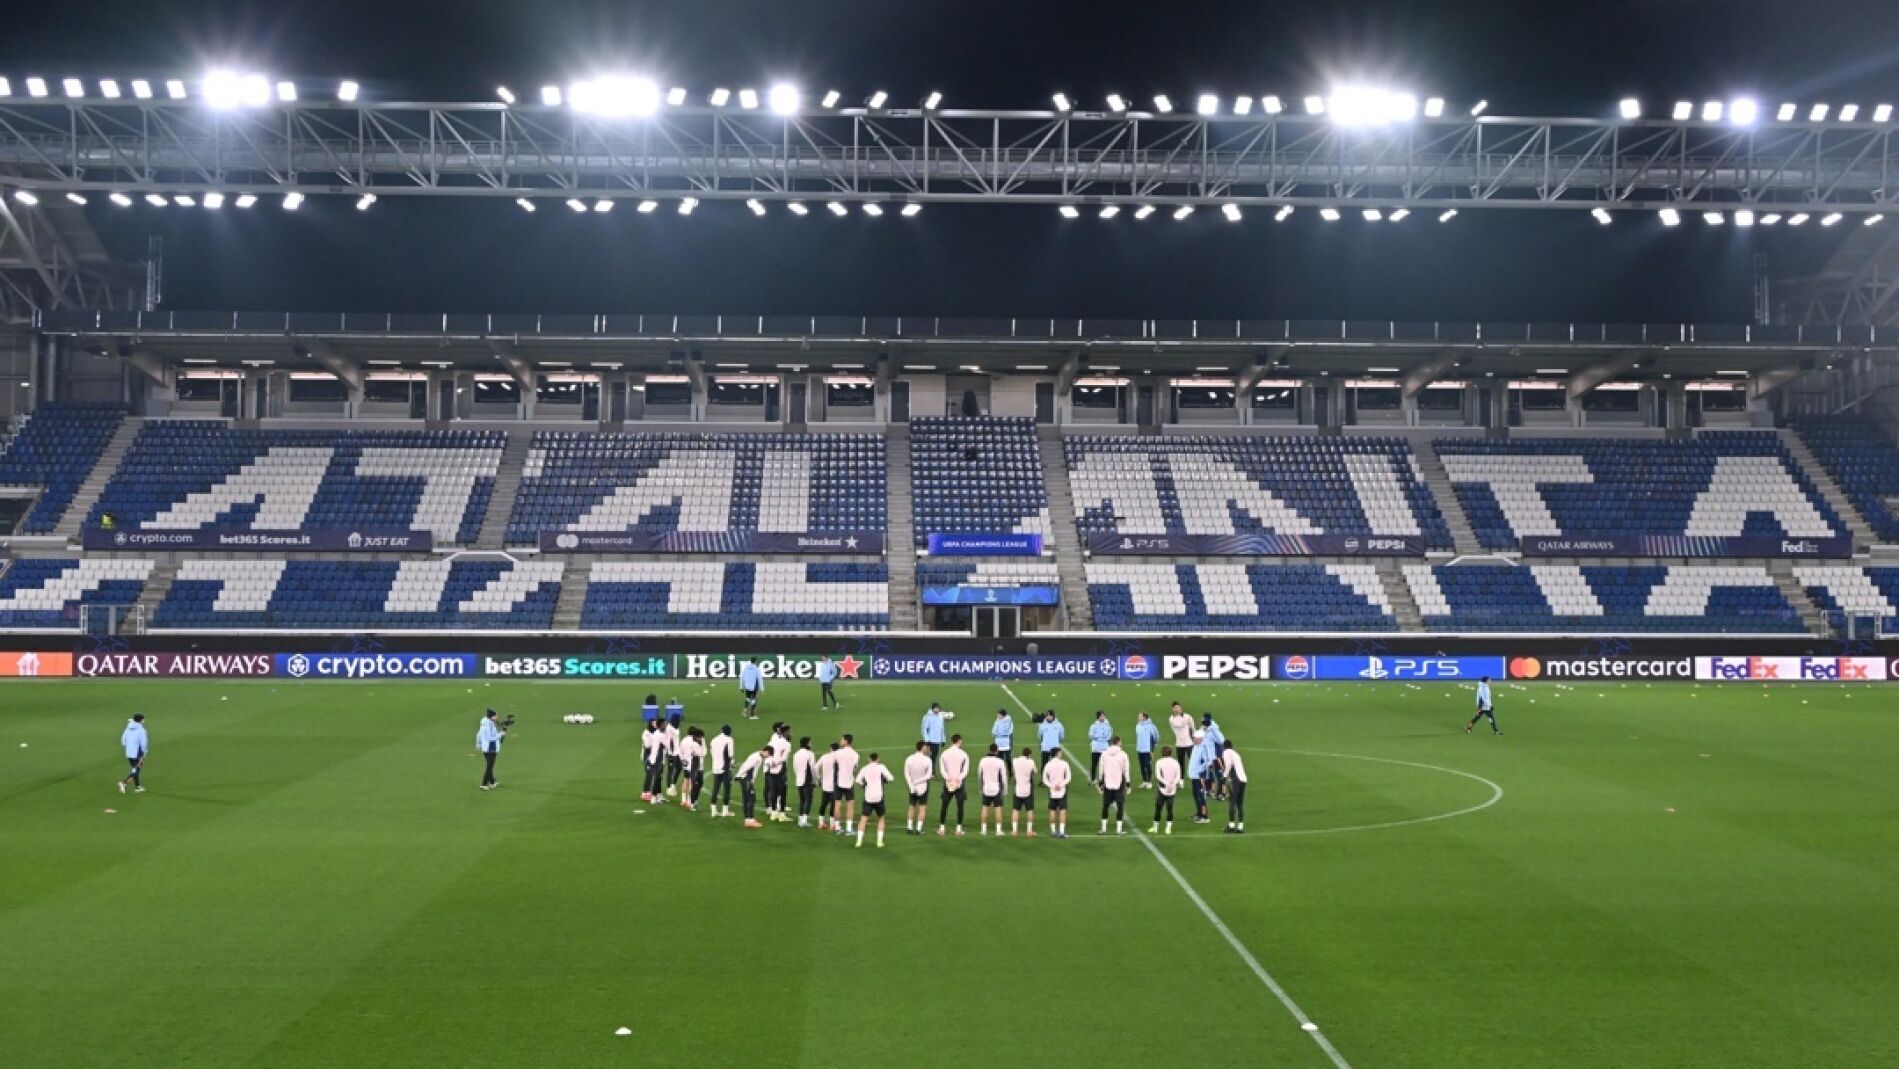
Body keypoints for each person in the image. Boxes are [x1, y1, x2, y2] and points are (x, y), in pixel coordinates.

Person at [855, 752, 895, 848]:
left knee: (863, 819)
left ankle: (859, 842)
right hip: (878, 797)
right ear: (878, 759)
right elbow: (891, 778)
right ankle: (879, 842)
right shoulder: (881, 767)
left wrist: (863, 785)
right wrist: (885, 780)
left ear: (869, 759)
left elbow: (857, 780)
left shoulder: (865, 768)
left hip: (868, 797)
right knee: (881, 818)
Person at [1097, 735, 1131, 836]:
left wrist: (1100, 782)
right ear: (1118, 742)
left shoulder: (1104, 754)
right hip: (1119, 783)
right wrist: (1128, 784)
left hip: (1107, 782)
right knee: (1120, 806)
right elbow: (1126, 770)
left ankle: (1103, 829)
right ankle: (1118, 830)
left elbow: (1101, 768)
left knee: (1105, 805)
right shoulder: (1123, 754)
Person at [937, 734, 970, 837]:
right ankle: (958, 829)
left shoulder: (944, 754)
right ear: (959, 741)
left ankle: (942, 828)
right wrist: (958, 780)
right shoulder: (964, 754)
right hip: (959, 784)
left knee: (944, 805)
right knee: (960, 806)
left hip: (948, 783)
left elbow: (942, 770)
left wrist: (949, 780)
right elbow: (965, 770)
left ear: (951, 741)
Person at [977, 743, 1008, 836]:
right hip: (996, 788)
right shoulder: (1000, 761)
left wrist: (980, 788)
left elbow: (979, 775)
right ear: (997, 751)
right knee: (998, 809)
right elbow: (1004, 777)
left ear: (989, 749)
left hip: (986, 788)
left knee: (985, 808)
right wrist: (1005, 789)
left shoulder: (983, 760)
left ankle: (983, 830)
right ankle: (998, 830)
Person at [831, 734, 860, 835]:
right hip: (849, 782)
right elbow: (855, 768)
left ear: (846, 741)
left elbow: (834, 764)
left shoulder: (838, 752)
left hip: (839, 782)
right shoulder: (856, 755)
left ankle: (837, 828)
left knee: (837, 805)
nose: (840, 741)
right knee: (850, 806)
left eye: (842, 739)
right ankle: (849, 829)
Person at [902, 741, 933, 836]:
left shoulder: (909, 758)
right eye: (926, 747)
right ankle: (919, 829)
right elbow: (928, 775)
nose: (927, 749)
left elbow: (906, 774)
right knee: (922, 807)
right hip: (923, 786)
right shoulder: (927, 760)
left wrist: (911, 785)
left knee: (912, 806)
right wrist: (918, 781)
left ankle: (909, 827)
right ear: (922, 747)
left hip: (912, 786)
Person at [1149, 744, 1181, 834]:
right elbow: (1178, 776)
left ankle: (1155, 828)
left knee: (1158, 808)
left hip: (1162, 789)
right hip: (1172, 790)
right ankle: (1168, 828)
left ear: (1162, 753)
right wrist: (1172, 785)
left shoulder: (1159, 762)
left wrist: (1166, 784)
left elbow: (1158, 776)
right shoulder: (1175, 762)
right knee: (1170, 809)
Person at [1041, 747, 1072, 839]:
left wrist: (1052, 786)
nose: (1061, 754)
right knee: (1062, 810)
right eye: (1060, 752)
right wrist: (1061, 785)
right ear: (1057, 753)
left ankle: (1053, 831)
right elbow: (1068, 777)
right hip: (1062, 791)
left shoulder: (1048, 765)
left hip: (1052, 791)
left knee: (1052, 810)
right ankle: (1062, 832)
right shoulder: (1064, 763)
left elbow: (1044, 779)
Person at [736, 744, 768, 828]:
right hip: (747, 780)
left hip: (745, 779)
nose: (768, 757)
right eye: (768, 754)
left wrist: (739, 776)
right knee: (751, 799)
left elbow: (744, 764)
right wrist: (738, 775)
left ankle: (748, 820)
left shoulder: (756, 755)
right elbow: (746, 767)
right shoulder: (757, 758)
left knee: (746, 799)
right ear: (766, 751)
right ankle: (750, 820)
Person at [708, 724, 736, 818]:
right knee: (727, 789)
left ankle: (713, 811)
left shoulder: (714, 740)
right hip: (725, 768)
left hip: (715, 767)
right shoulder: (729, 740)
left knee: (715, 789)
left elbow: (712, 754)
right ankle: (725, 811)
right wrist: (731, 764)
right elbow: (730, 755)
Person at [1187, 730, 1215, 823]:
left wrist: (1200, 774)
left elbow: (1207, 762)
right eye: (1194, 738)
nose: (1194, 739)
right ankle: (1199, 813)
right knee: (1196, 796)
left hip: (1199, 777)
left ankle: (1204, 817)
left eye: (1196, 738)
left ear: (1201, 739)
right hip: (1194, 776)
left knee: (1201, 797)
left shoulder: (1204, 749)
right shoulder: (1195, 747)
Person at [765, 722, 791, 822]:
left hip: (771, 769)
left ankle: (773, 813)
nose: (790, 733)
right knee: (782, 792)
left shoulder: (772, 742)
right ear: (785, 732)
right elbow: (784, 758)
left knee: (773, 791)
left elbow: (767, 755)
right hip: (781, 769)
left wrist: (771, 763)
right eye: (788, 731)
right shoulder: (787, 744)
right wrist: (776, 762)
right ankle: (782, 815)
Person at [1221, 740, 1249, 833]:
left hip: (1236, 779)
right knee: (1240, 803)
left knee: (1232, 802)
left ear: (1224, 746)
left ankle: (1231, 826)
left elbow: (1229, 764)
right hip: (1243, 779)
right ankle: (1240, 827)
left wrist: (1224, 775)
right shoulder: (1236, 754)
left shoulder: (1226, 752)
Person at [1011, 746, 1038, 837]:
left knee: (1016, 809)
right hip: (1027, 789)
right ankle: (1029, 831)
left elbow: (1014, 771)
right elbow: (1034, 772)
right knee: (1029, 810)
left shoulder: (1015, 761)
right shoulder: (1031, 762)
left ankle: (1014, 831)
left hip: (1018, 788)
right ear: (1029, 755)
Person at [117, 713, 148, 794]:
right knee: (136, 770)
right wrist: (144, 752)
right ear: (140, 720)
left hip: (129, 752)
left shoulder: (128, 728)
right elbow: (143, 743)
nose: (144, 720)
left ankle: (137, 787)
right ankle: (124, 783)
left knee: (134, 769)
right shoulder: (141, 730)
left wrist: (129, 747)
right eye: (143, 719)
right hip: (137, 753)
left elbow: (123, 740)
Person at [677, 727, 706, 810]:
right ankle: (690, 801)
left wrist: (683, 760)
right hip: (695, 766)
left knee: (686, 781)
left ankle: (683, 800)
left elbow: (680, 751)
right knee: (693, 783)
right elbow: (702, 753)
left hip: (686, 764)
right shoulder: (696, 742)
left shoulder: (684, 740)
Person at [792, 736, 818, 826]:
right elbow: (813, 769)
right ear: (807, 743)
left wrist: (798, 776)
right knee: (808, 800)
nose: (811, 744)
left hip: (799, 779)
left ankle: (800, 820)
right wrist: (815, 780)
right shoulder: (810, 754)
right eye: (810, 742)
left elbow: (794, 768)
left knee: (802, 800)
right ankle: (804, 820)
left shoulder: (796, 754)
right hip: (807, 780)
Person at [476, 709, 504, 790]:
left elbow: (479, 734)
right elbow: (490, 738)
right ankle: (484, 784)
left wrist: (478, 743)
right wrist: (500, 734)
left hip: (485, 748)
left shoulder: (484, 723)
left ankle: (492, 782)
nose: (497, 717)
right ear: (492, 717)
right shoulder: (489, 725)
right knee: (489, 767)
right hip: (491, 748)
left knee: (489, 765)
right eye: (495, 715)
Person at [640, 719, 668, 803]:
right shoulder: (646, 733)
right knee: (649, 774)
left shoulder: (657, 733)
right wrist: (656, 741)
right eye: (653, 723)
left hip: (657, 756)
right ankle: (645, 793)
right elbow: (647, 745)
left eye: (656, 723)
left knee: (657, 776)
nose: (655, 725)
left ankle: (655, 794)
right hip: (648, 755)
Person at [814, 741, 840, 830]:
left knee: (824, 804)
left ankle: (821, 823)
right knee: (833, 805)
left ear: (831, 748)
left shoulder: (824, 756)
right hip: (835, 785)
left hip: (825, 784)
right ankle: (832, 825)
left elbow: (816, 767)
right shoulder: (839, 758)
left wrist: (819, 778)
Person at [1133, 711, 1160, 788]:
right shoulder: (1137, 726)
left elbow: (1155, 738)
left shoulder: (1151, 726)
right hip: (1139, 749)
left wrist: (1152, 750)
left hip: (1147, 750)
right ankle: (1144, 781)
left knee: (1147, 766)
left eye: (1140, 716)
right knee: (1142, 766)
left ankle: (1149, 782)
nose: (1138, 717)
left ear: (1144, 717)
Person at [1167, 703, 1196, 767]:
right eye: (1175, 708)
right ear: (1172, 709)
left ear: (1181, 708)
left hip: (1189, 743)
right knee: (1180, 763)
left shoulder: (1188, 717)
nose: (1177, 709)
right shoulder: (1171, 719)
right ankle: (1181, 774)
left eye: (1178, 707)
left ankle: (1194, 774)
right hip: (1179, 744)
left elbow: (1193, 728)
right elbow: (1175, 726)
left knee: (1193, 762)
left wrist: (1194, 738)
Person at [1087, 711, 1112, 782]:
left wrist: (1105, 738)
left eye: (1104, 716)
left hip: (1104, 748)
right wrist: (1098, 737)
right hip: (1096, 748)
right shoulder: (1093, 726)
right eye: (1101, 716)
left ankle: (1104, 778)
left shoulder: (1108, 725)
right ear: (1098, 717)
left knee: (1105, 764)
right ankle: (1093, 778)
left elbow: (1110, 734)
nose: (1103, 717)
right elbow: (1090, 735)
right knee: (1094, 764)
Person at [662, 712, 683, 797]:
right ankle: (669, 788)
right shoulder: (669, 729)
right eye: (679, 720)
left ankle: (673, 785)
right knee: (671, 770)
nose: (680, 722)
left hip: (677, 752)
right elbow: (669, 742)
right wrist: (670, 754)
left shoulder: (675, 728)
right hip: (672, 753)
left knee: (679, 768)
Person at [991, 709, 1014, 782]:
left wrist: (1000, 734)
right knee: (999, 759)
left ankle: (1010, 773)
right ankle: (999, 774)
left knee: (1008, 759)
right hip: (998, 743)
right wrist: (996, 734)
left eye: (999, 715)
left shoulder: (1009, 721)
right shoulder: (997, 721)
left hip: (1006, 743)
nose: (997, 716)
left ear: (1003, 715)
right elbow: (993, 731)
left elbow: (1009, 731)